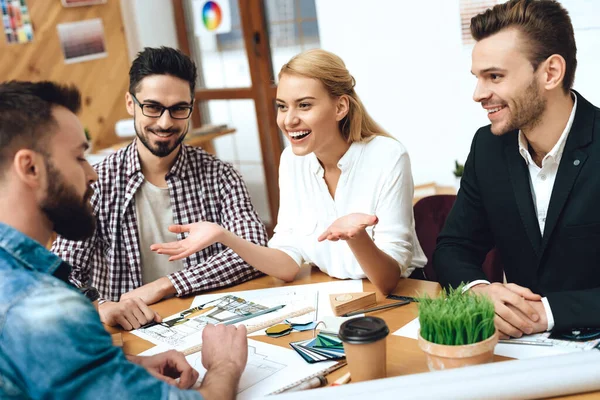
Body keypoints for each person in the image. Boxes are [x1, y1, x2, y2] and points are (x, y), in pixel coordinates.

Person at [0, 80, 247, 399]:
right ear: (30, 167)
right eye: (78, 157)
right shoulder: (44, 308)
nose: (92, 174)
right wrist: (224, 365)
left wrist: (124, 364)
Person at [151, 49, 426, 295]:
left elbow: (389, 280)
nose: (288, 120)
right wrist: (224, 236)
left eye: (304, 105)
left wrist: (357, 237)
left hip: (401, 297)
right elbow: (287, 263)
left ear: (340, 107)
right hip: (336, 297)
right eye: (282, 106)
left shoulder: (387, 156)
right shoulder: (293, 161)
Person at [52, 47, 267, 330]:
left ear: (191, 106)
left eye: (179, 109)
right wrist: (101, 306)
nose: (165, 123)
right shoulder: (97, 181)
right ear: (130, 103)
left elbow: (254, 251)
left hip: (209, 327)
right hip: (128, 335)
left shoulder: (220, 176)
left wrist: (166, 285)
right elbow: (60, 272)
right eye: (152, 107)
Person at [434, 0, 600, 338]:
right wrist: (478, 289)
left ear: (551, 72)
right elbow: (453, 247)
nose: (478, 94)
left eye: (494, 76)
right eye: (478, 78)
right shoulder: (489, 148)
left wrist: (549, 313)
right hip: (522, 354)